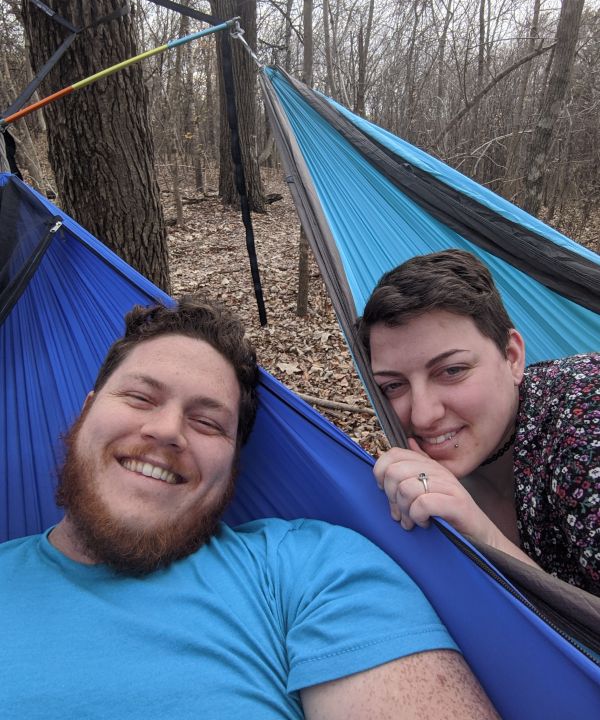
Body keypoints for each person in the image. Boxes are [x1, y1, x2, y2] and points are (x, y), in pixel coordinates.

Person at [0, 295, 498, 720]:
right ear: (86, 410)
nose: (168, 431)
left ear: (233, 467)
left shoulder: (311, 569)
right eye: (139, 397)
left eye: (208, 423)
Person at [357, 249, 600, 596]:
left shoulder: (584, 416)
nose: (423, 415)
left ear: (512, 357)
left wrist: (484, 536)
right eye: (394, 385)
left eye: (452, 371)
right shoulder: (417, 474)